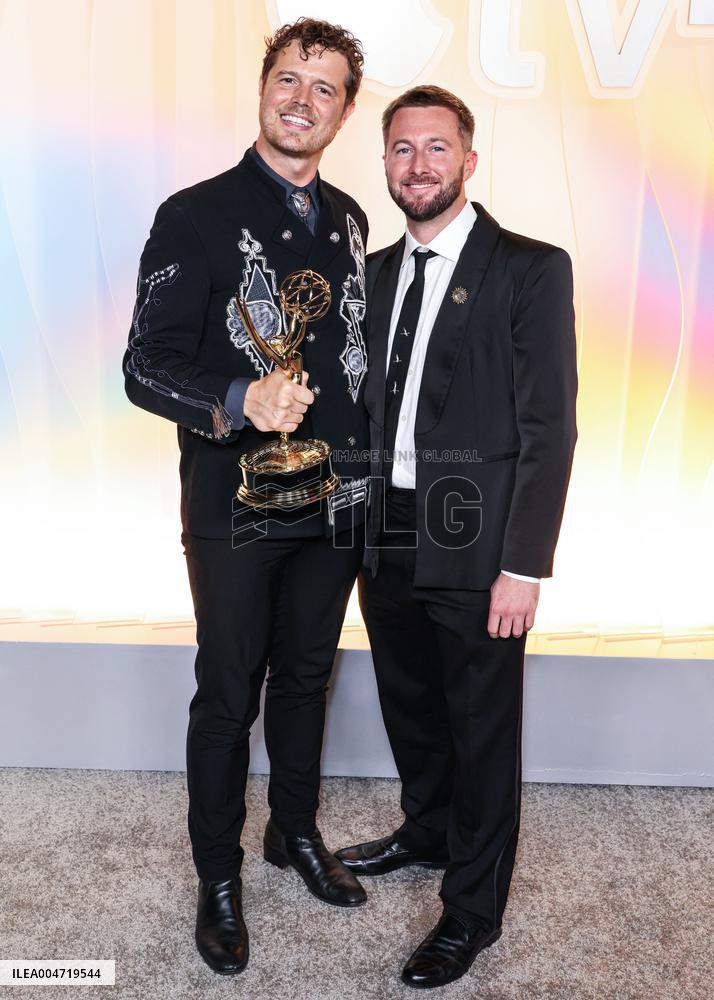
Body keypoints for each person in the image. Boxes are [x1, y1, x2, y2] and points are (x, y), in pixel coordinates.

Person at [122, 18, 371, 977]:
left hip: (335, 502)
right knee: (230, 694)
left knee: (310, 677)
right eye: (289, 78)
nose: (302, 99)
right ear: (262, 86)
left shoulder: (351, 216)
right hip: (235, 499)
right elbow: (145, 368)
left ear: (344, 111)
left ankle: (292, 833)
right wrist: (237, 397)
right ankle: (217, 877)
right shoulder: (192, 212)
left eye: (326, 87)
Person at [335, 85, 578, 989]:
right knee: (410, 701)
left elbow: (549, 427)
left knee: (482, 729)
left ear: (468, 163)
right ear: (387, 163)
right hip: (385, 528)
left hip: (478, 543)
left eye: (437, 149)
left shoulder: (530, 267)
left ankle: (471, 912)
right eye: (402, 149)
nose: (418, 165)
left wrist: (524, 564)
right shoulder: (373, 272)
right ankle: (427, 830)